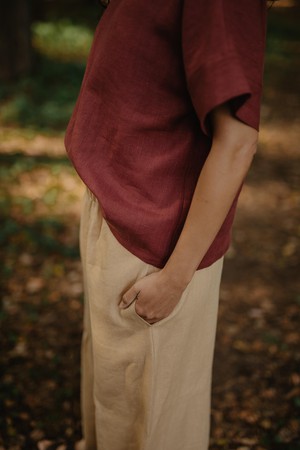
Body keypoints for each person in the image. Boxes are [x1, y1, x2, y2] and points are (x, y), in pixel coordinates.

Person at [64, 1, 267, 449]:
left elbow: (237, 142)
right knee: (112, 411)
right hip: (117, 206)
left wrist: (174, 278)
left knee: (151, 430)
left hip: (154, 246)